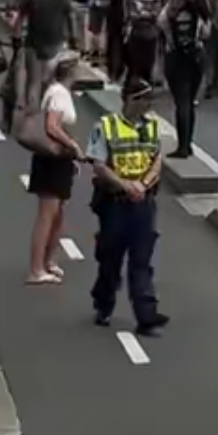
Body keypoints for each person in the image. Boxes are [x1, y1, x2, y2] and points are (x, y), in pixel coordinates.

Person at [86, 77, 168, 336]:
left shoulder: (152, 127)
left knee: (141, 260)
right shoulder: (106, 126)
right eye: (140, 99)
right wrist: (125, 185)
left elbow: (156, 161)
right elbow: (99, 166)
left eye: (148, 99)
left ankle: (146, 316)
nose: (146, 104)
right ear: (126, 100)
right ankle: (104, 303)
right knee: (110, 259)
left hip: (143, 202)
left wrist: (142, 185)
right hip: (114, 204)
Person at [25, 57, 83, 286]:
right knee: (47, 216)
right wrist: (73, 146)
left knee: (57, 216)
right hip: (52, 158)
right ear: (71, 71)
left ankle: (47, 261)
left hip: (59, 158)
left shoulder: (60, 91)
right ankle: (36, 269)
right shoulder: (59, 93)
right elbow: (52, 126)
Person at [161, 0, 208, 158]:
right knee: (190, 100)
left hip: (176, 57)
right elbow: (206, 33)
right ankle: (188, 143)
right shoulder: (199, 13)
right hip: (196, 57)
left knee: (181, 101)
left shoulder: (169, 13)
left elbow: (161, 26)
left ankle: (182, 146)